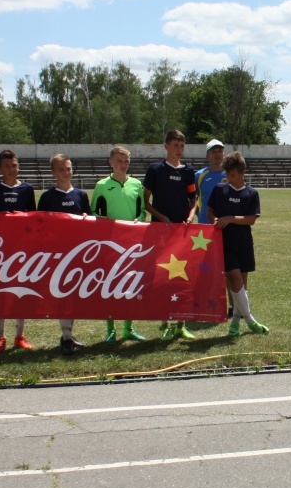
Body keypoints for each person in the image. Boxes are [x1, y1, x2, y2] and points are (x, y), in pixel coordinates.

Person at [144, 130, 198, 342]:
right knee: (163, 277)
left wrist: (191, 216)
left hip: (182, 232)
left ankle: (181, 324)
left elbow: (193, 200)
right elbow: (146, 201)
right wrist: (161, 216)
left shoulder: (188, 171)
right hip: (160, 231)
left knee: (182, 276)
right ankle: (165, 321)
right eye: (175, 145)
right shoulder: (155, 170)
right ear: (166, 146)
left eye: (182, 146)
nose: (179, 149)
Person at [207, 151, 269, 336]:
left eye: (232, 175)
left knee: (242, 284)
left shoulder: (251, 193)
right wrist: (215, 218)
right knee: (234, 278)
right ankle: (250, 319)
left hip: (244, 243)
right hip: (225, 243)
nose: (228, 178)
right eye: (227, 174)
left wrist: (231, 218)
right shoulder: (220, 189)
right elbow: (209, 211)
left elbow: (251, 219)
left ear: (243, 173)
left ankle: (235, 321)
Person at [0, 149, 37, 352]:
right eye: (6, 166)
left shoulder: (26, 188)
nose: (11, 169)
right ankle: (0, 336)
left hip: (21, 249)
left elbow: (33, 217)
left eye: (14, 165)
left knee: (20, 292)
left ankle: (19, 335)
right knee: (0, 292)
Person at [92, 146, 147, 343]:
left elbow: (141, 211)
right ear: (111, 162)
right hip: (109, 243)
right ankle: (111, 330)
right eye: (119, 161)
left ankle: (128, 328)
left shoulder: (136, 185)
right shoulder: (101, 185)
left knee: (129, 285)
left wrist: (137, 221)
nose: (123, 165)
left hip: (131, 244)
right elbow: (93, 213)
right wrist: (102, 219)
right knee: (109, 285)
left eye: (126, 161)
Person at [38, 153, 91, 355]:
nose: (65, 172)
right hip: (56, 254)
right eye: (61, 169)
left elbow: (89, 219)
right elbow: (39, 226)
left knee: (72, 295)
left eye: (68, 168)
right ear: (53, 173)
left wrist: (87, 218)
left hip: (76, 253)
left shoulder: (81, 195)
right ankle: (66, 337)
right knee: (61, 294)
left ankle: (67, 334)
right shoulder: (47, 197)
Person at [195, 139, 227, 225]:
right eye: (213, 152)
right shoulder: (199, 176)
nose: (217, 154)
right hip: (205, 225)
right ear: (207, 155)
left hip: (226, 226)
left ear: (223, 154)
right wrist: (201, 214)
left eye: (220, 151)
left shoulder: (230, 175)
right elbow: (192, 200)